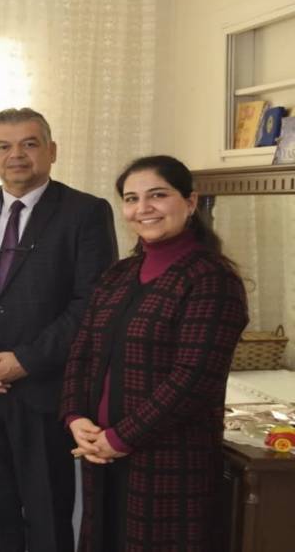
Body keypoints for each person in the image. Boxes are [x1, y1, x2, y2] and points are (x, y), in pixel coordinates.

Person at [0, 107, 118, 552]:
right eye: (4, 146)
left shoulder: (86, 213)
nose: (16, 155)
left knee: (47, 514)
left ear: (52, 151)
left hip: (45, 391)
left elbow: (92, 305)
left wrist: (26, 360)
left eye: (29, 144)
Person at [59, 155, 248, 552]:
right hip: (101, 453)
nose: (143, 208)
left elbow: (193, 379)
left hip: (170, 460)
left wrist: (121, 437)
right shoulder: (117, 275)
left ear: (190, 202)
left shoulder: (211, 279)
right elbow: (82, 352)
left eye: (158, 195)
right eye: (132, 199)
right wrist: (75, 417)